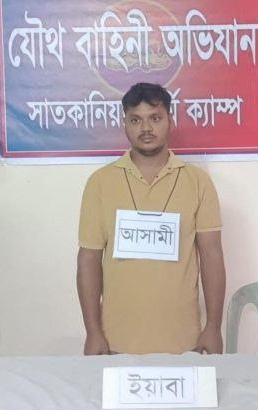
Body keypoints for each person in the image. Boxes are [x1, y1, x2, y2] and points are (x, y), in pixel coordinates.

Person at [76, 82, 226, 355]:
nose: (146, 128)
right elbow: (88, 260)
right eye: (136, 120)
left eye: (155, 118)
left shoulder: (197, 182)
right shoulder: (100, 183)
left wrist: (214, 327)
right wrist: (93, 331)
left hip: (184, 342)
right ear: (124, 124)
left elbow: (212, 255)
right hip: (115, 342)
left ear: (170, 121)